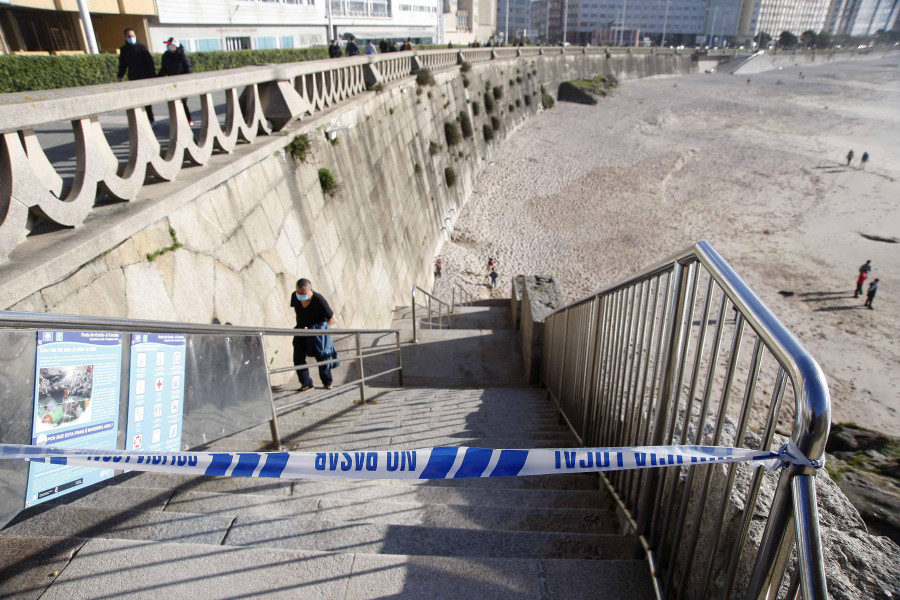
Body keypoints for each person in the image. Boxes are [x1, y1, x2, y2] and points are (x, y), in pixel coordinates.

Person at [291, 278, 339, 390]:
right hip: (301, 330)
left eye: (303, 293)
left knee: (322, 357)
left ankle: (327, 382)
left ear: (311, 290)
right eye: (298, 292)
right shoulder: (295, 296)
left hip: (316, 333)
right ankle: (306, 383)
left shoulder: (319, 300)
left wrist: (317, 329)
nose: (300, 295)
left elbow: (333, 319)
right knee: (298, 357)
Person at [117, 29, 156, 123]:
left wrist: (153, 77)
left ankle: (151, 119)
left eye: (133, 36)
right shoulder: (124, 49)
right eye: (129, 36)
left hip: (144, 77)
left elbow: (150, 63)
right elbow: (123, 64)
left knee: (146, 100)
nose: (131, 38)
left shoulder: (142, 47)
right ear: (125, 37)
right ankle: (142, 120)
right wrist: (120, 76)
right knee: (137, 100)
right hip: (133, 78)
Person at [158, 38, 194, 125]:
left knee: (183, 102)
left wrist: (184, 80)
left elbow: (189, 69)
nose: (168, 46)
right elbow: (163, 70)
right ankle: (178, 121)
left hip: (181, 84)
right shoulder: (166, 56)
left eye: (170, 45)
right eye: (167, 45)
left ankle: (188, 119)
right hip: (171, 84)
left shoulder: (182, 56)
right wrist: (157, 78)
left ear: (175, 46)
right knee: (173, 103)